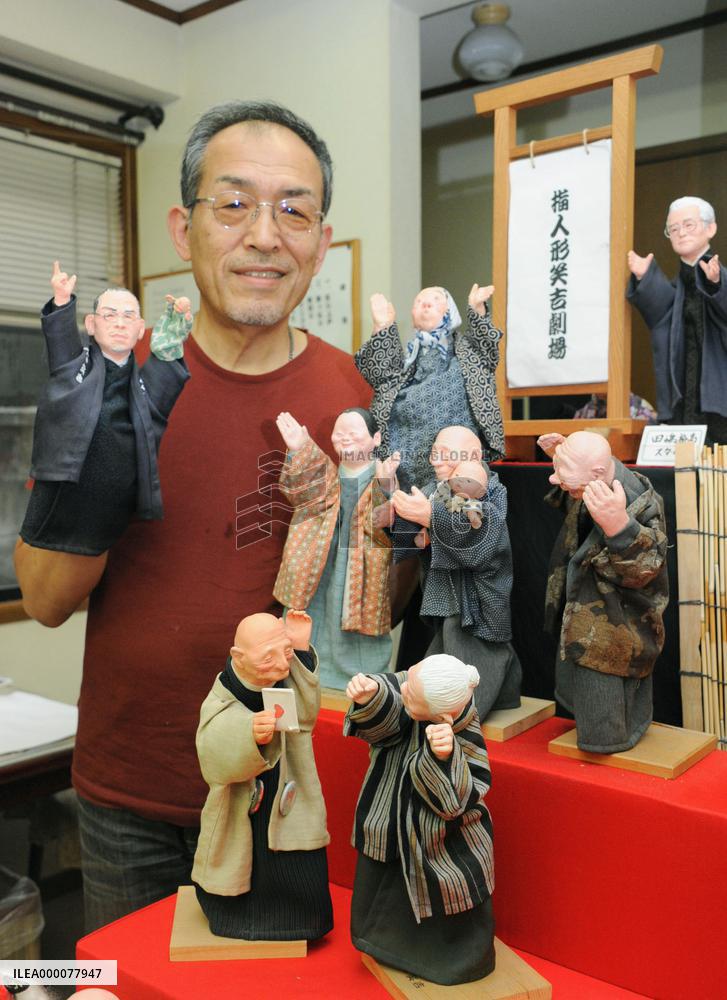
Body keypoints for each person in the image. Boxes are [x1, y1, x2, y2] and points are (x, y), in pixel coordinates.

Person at [66, 101, 371, 932]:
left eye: (293, 210)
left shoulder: (360, 399)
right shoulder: (112, 392)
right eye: (233, 204)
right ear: (182, 227)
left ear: (319, 233)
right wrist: (98, 461)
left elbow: (387, 595)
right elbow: (45, 592)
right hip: (130, 788)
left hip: (293, 787)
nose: (265, 236)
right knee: (108, 988)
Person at [14, 264, 191, 627]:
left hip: (110, 501)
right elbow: (60, 343)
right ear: (91, 325)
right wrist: (62, 301)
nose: (120, 322)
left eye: (129, 316)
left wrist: (171, 340)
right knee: (38, 545)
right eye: (109, 315)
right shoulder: (73, 369)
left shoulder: (142, 386)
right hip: (64, 481)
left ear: (141, 330)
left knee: (72, 574)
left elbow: (164, 377)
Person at [344, 655, 495, 986]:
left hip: (438, 837)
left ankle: (449, 960)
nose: (403, 688)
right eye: (408, 680)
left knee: (446, 887)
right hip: (388, 816)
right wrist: (372, 695)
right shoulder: (417, 689)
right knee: (382, 881)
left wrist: (444, 758)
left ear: (441, 716)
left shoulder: (461, 729)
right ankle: (381, 944)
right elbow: (392, 707)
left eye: (410, 690)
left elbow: (460, 798)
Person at [193, 609, 332, 941]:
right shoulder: (224, 692)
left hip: (288, 785)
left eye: (284, 653)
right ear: (238, 658)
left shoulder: (286, 674)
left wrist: (298, 650)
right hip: (241, 795)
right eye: (269, 657)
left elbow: (307, 716)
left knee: (294, 857)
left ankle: (299, 920)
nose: (282, 665)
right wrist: (247, 731)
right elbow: (210, 749)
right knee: (240, 858)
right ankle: (236, 917)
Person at [537, 430, 669, 753]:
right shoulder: (593, 479)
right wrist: (562, 455)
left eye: (562, 472)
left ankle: (608, 740)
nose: (555, 479)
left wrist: (619, 528)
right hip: (584, 607)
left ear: (596, 471)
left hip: (616, 618)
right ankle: (600, 729)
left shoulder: (639, 498)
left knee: (604, 683)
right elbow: (567, 489)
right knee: (579, 675)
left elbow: (647, 568)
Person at [391, 425, 522, 721]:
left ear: (473, 457)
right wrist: (399, 514)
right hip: (445, 593)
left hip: (476, 596)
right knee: (454, 649)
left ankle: (462, 712)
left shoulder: (488, 488)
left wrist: (428, 517)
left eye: (446, 455)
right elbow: (407, 533)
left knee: (474, 650)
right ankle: (501, 693)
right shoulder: (436, 488)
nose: (436, 461)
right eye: (434, 453)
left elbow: (484, 539)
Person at [273, 409, 395, 690]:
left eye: (354, 434)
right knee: (311, 616)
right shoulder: (326, 470)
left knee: (357, 621)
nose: (346, 439)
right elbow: (302, 495)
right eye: (340, 434)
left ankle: (359, 678)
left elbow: (385, 523)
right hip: (319, 559)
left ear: (376, 438)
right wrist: (300, 450)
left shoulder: (382, 473)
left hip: (362, 566)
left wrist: (385, 485)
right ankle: (303, 672)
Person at [355, 283, 505, 492]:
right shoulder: (408, 356)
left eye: (435, 300)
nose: (425, 303)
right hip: (405, 454)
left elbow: (487, 346)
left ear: (449, 310)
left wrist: (477, 309)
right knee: (401, 511)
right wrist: (382, 326)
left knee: (451, 508)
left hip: (453, 457)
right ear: (412, 314)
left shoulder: (469, 351)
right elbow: (380, 375)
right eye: (419, 302)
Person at [627, 196, 727, 443]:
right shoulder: (677, 289)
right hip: (682, 399)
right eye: (673, 228)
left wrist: (716, 284)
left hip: (718, 397)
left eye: (689, 225)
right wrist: (645, 277)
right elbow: (663, 313)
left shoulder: (719, 278)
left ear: (710, 228)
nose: (681, 233)